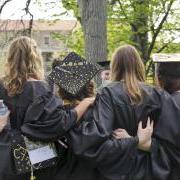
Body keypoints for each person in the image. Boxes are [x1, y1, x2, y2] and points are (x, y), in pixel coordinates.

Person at [45, 52, 154, 180]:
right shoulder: (98, 109)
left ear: (59, 85)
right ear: (88, 81)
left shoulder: (59, 114)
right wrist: (136, 141)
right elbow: (102, 149)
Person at [0, 36, 94, 180]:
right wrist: (85, 103)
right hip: (34, 155)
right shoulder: (40, 89)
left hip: (4, 154)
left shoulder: (2, 86)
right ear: (35, 57)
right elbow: (59, 124)